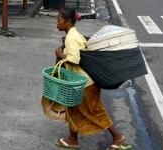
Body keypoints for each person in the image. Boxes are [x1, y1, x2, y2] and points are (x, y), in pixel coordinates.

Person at [53, 8, 130, 149]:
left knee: (95, 111)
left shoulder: (71, 37)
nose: (57, 23)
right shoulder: (74, 34)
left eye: (59, 20)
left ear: (68, 21)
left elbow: (74, 60)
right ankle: (73, 139)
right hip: (80, 82)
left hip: (85, 83)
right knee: (72, 109)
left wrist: (60, 54)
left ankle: (118, 137)